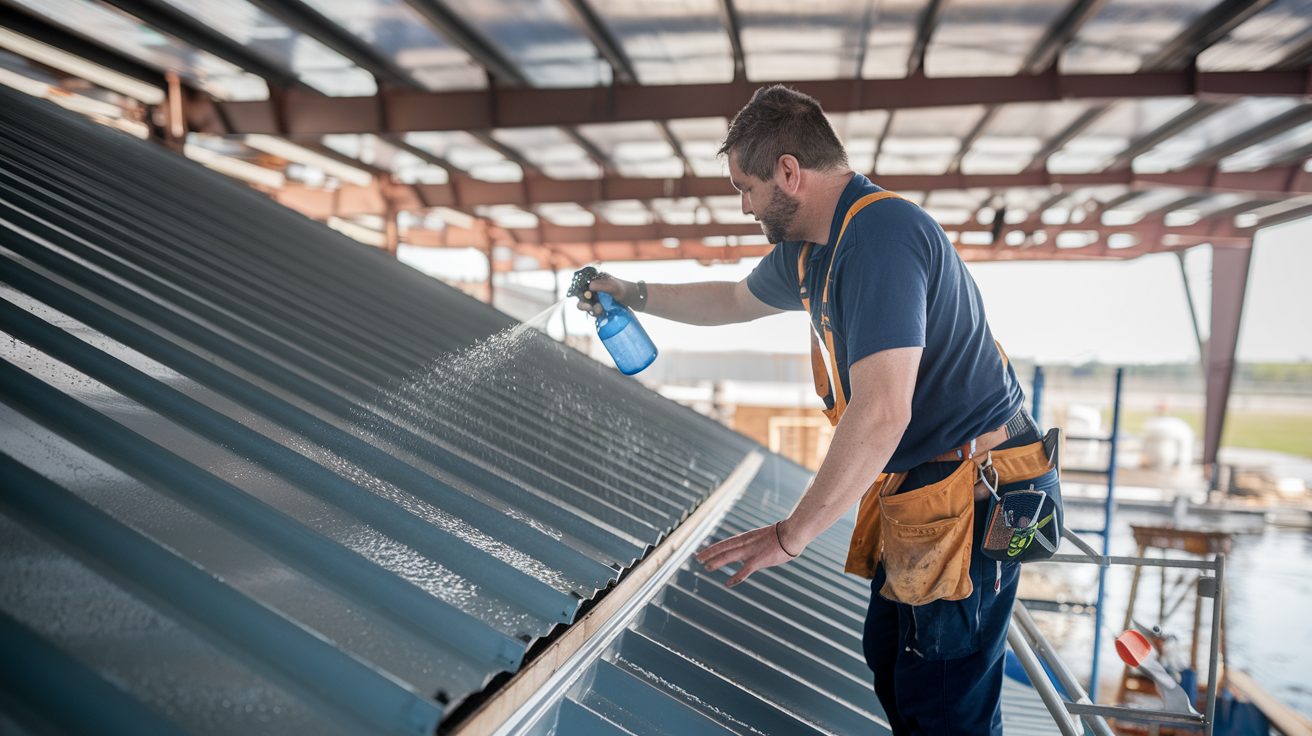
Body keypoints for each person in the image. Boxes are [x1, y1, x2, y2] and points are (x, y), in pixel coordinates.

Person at [577, 85, 1056, 735]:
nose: (744, 207)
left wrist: (791, 534)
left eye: (745, 188)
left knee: (943, 699)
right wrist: (628, 291)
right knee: (891, 660)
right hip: (924, 487)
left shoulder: (882, 237)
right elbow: (729, 301)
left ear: (789, 172)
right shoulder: (809, 253)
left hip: (972, 493)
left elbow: (883, 411)